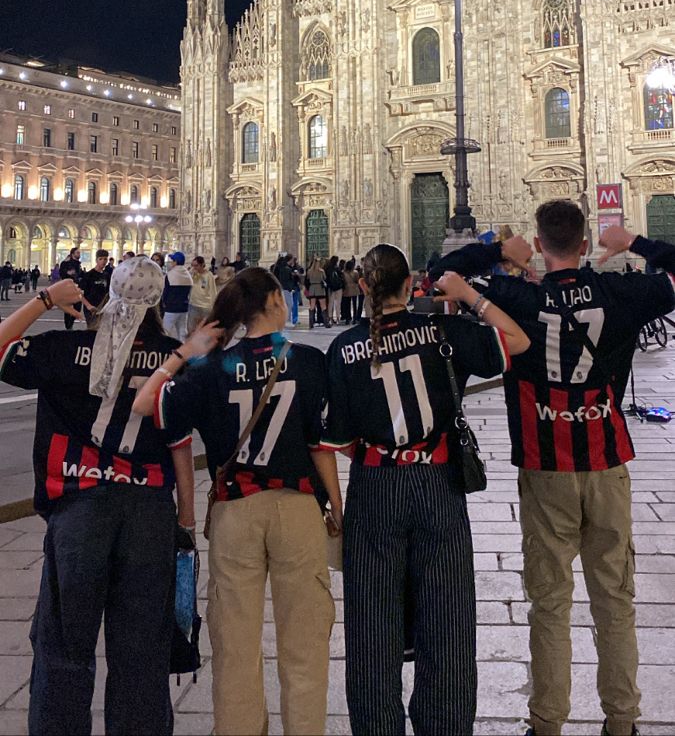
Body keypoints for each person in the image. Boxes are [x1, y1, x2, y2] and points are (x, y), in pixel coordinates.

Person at [431, 205, 675, 736]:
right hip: (607, 463)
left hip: (545, 469)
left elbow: (438, 274)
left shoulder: (517, 296)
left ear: (539, 245)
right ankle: (622, 722)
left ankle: (546, 723)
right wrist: (634, 241)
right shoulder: (621, 294)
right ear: (586, 245)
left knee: (549, 603)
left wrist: (498, 252)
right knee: (614, 598)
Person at [319, 242, 530, 736]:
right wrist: (467, 296)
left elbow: (340, 439)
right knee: (449, 616)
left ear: (364, 286)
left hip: (376, 486)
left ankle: (377, 726)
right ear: (411, 284)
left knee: (372, 624)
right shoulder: (440, 329)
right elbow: (516, 340)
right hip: (437, 483)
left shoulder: (344, 347)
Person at [133, 267, 340, 736]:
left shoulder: (210, 369)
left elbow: (146, 404)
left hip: (234, 513)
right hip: (297, 509)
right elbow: (319, 448)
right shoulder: (307, 360)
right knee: (305, 643)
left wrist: (186, 353)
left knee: (235, 647)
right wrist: (337, 515)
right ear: (272, 301)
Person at [0, 258, 195, 736]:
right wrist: (186, 522)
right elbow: (180, 443)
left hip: (79, 509)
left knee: (64, 647)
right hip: (148, 512)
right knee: (142, 652)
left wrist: (45, 299)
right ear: (158, 300)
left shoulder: (65, 347)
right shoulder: (173, 356)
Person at [162, 251, 193, 342]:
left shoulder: (170, 275)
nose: (171, 263)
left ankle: (165, 351)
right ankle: (182, 351)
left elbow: (166, 292)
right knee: (182, 331)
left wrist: (165, 303)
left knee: (166, 331)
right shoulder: (188, 275)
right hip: (184, 308)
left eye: (172, 261)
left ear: (176, 262)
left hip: (171, 308)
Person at [81, 249, 110, 330]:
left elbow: (108, 292)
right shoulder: (88, 275)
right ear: (96, 260)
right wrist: (88, 305)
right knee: (92, 331)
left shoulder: (106, 275)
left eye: (105, 259)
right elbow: (79, 294)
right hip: (91, 309)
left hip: (103, 308)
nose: (103, 261)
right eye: (100, 259)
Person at [188, 254, 217, 333]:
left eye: (196, 265)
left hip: (205, 306)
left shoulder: (209, 275)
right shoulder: (192, 274)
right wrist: (191, 274)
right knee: (191, 329)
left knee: (205, 328)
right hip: (193, 304)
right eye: (192, 265)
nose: (194, 267)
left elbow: (213, 291)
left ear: (201, 265)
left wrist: (213, 305)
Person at [59, 246, 84, 330]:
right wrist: (67, 272)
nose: (79, 254)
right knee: (68, 308)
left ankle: (70, 323)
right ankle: (68, 327)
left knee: (78, 308)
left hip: (77, 289)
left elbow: (80, 275)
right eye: (77, 253)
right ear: (72, 254)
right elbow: (62, 273)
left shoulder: (78, 264)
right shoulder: (66, 263)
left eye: (79, 253)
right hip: (67, 288)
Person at [273, 252, 298, 326]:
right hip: (286, 289)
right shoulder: (286, 269)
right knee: (289, 304)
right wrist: (291, 288)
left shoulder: (279, 267)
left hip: (281, 288)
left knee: (284, 304)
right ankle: (287, 321)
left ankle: (284, 320)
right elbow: (287, 280)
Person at [305, 255, 329, 328]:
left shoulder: (309, 271)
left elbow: (307, 279)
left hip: (312, 289)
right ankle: (326, 323)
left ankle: (311, 323)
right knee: (323, 306)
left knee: (312, 306)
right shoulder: (321, 271)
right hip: (320, 289)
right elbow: (324, 278)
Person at [325, 255, 345, 325]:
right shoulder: (337, 268)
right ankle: (338, 319)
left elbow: (326, 278)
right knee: (338, 304)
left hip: (331, 288)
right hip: (338, 288)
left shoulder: (327, 268)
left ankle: (330, 318)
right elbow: (342, 277)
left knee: (330, 304)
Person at [341, 258, 359, 323]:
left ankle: (348, 318)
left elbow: (342, 281)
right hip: (354, 289)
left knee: (347, 305)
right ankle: (354, 318)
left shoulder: (343, 272)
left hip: (346, 289)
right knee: (354, 304)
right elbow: (357, 281)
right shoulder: (355, 272)